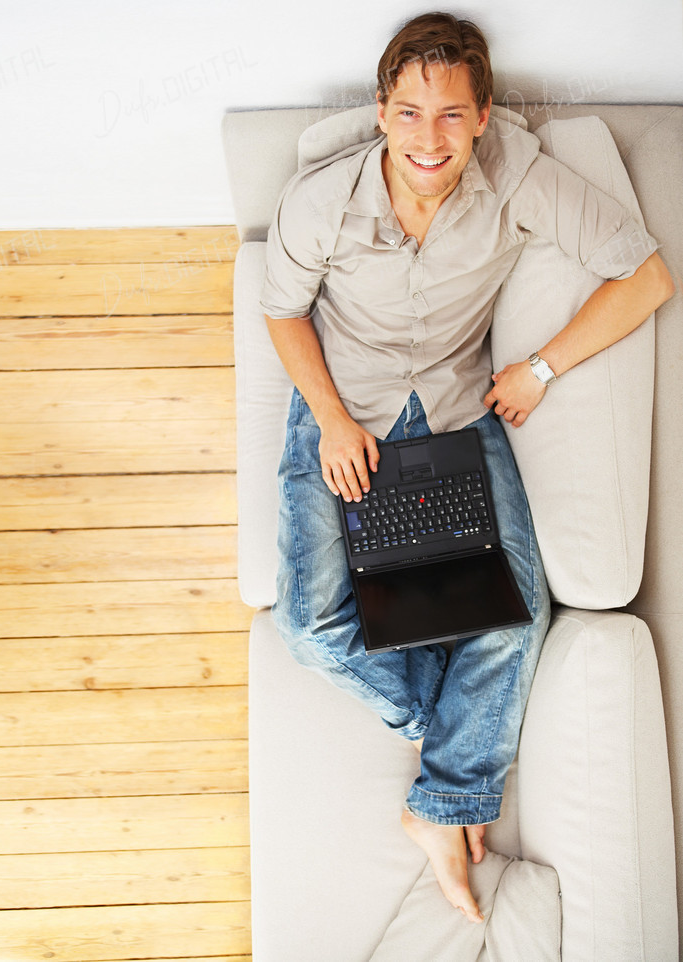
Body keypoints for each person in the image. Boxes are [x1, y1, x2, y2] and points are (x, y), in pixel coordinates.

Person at [260, 12, 675, 924]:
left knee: (514, 610)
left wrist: (540, 366)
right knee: (306, 624)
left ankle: (436, 808)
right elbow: (284, 313)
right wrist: (329, 421)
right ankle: (445, 753)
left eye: (450, 115)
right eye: (409, 113)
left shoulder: (517, 178)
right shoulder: (320, 203)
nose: (428, 138)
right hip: (346, 407)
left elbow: (644, 278)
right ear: (380, 112)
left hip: (455, 408)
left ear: (482, 116)